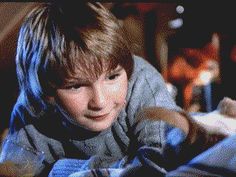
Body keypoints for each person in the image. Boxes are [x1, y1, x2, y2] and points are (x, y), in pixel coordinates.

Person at [0, 2, 227, 176]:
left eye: (112, 76)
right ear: (45, 93)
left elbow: (159, 164)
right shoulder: (31, 110)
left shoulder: (141, 81)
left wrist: (59, 169)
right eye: (76, 85)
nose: (100, 101)